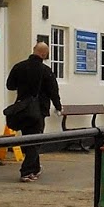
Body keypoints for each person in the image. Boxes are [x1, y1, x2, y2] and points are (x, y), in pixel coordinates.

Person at [5, 41, 62, 182]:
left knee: (28, 138)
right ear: (44, 54)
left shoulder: (19, 67)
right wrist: (58, 107)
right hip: (39, 110)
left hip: (23, 108)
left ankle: (35, 168)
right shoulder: (46, 70)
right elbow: (53, 91)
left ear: (33, 50)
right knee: (36, 140)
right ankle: (27, 171)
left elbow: (10, 85)